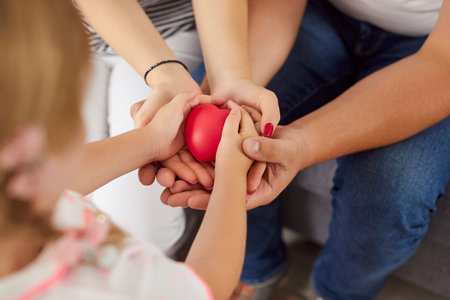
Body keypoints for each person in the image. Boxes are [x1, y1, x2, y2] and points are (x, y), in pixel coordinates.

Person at [163, 0, 450, 299]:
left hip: (435, 50)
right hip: (319, 12)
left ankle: (337, 293)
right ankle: (256, 272)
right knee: (219, 132)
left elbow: (444, 61)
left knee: (388, 193)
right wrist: (234, 94)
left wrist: (302, 144)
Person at [0, 1, 258, 299]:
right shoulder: (113, 280)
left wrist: (151, 140)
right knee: (144, 230)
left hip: (164, 35)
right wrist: (231, 178)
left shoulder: (33, 198)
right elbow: (208, 281)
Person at [75, 0, 280, 253]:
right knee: (60, 210)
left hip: (173, 33)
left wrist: (229, 77)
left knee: (138, 232)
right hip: (59, 33)